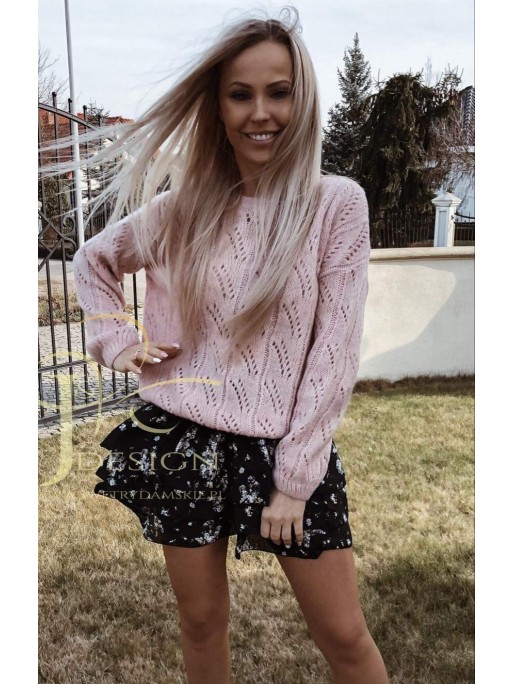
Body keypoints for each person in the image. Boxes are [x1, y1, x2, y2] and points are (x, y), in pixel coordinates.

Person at [50, 7, 390, 684]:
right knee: (202, 623)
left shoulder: (335, 205)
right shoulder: (185, 208)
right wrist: (115, 338)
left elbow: (332, 355)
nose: (260, 113)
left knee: (343, 634)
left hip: (286, 444)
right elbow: (93, 261)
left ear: (303, 100)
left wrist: (294, 482)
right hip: (184, 441)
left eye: (278, 92)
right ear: (218, 106)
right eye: (240, 94)